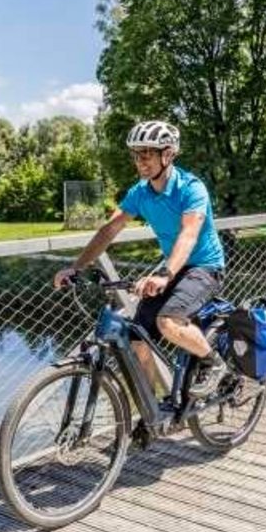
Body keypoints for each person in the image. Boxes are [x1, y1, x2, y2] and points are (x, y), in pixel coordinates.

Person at [56, 120, 232, 404]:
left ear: (167, 154)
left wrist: (164, 274)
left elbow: (188, 235)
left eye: (147, 154)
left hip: (204, 267)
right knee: (137, 337)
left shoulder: (191, 188)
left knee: (167, 322)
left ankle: (214, 363)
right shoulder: (140, 192)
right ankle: (150, 410)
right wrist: (76, 267)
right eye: (136, 155)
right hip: (172, 268)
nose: (140, 161)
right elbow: (109, 230)